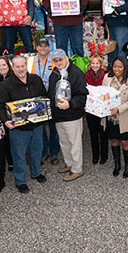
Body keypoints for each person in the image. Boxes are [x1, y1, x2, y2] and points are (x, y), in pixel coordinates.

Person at [0, 55, 48, 194]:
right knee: (18, 155)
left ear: (26, 66)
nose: (20, 69)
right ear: (13, 68)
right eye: (17, 67)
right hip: (18, 129)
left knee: (37, 150)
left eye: (22, 66)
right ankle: (20, 181)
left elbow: (44, 97)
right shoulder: (5, 85)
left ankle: (36, 173)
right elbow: (0, 106)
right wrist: (5, 121)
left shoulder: (36, 80)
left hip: (37, 125)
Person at [48, 49, 88, 181]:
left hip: (72, 115)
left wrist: (70, 104)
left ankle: (77, 169)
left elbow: (83, 96)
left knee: (74, 143)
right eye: (56, 60)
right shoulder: (54, 73)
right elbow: (51, 93)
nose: (58, 62)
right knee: (64, 142)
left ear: (66, 58)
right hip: (58, 115)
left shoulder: (77, 73)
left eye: (60, 59)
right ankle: (69, 163)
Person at [102, 57, 128, 177]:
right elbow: (102, 94)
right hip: (110, 116)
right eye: (115, 66)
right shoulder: (107, 78)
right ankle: (117, 164)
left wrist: (118, 109)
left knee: (125, 141)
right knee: (114, 140)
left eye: (120, 67)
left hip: (124, 116)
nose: (117, 69)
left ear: (125, 67)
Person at [27, 38, 59, 164]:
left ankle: (54, 152)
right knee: (40, 128)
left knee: (53, 127)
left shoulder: (54, 60)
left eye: (45, 46)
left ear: (49, 47)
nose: (43, 48)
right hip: (37, 98)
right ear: (37, 47)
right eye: (40, 46)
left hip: (52, 97)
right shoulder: (30, 61)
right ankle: (44, 151)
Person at [84, 56, 109, 165]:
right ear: (90, 64)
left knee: (103, 133)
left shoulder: (105, 75)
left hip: (102, 108)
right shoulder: (86, 75)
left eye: (97, 63)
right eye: (93, 63)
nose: (95, 66)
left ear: (101, 64)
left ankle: (104, 155)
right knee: (93, 133)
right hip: (90, 108)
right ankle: (95, 155)